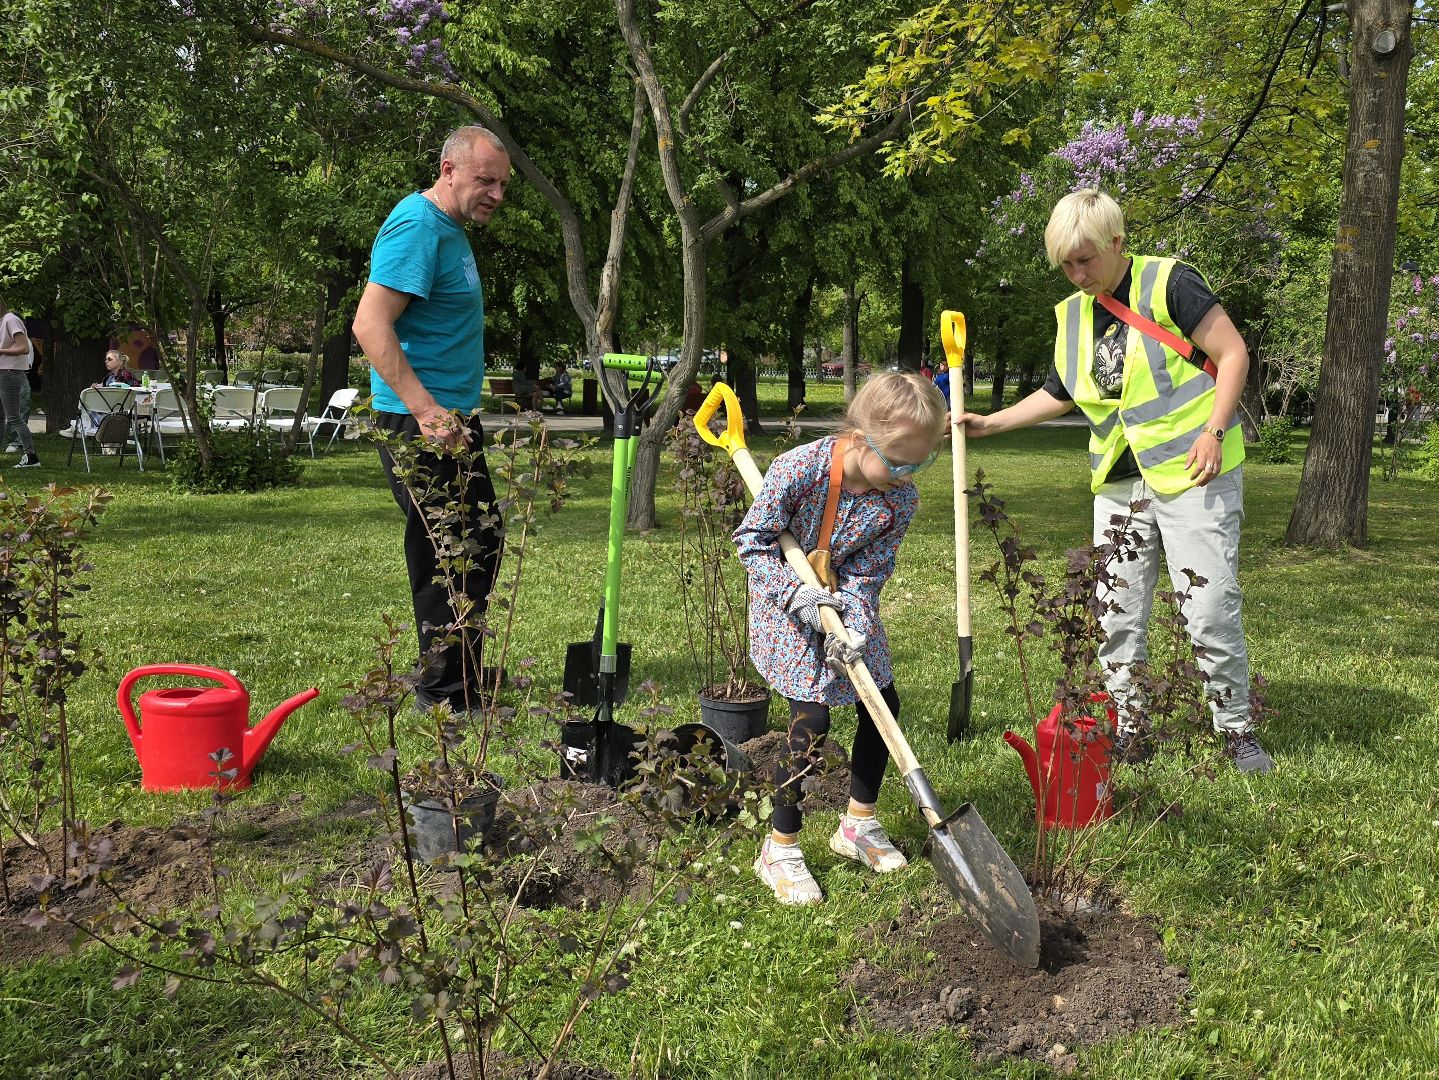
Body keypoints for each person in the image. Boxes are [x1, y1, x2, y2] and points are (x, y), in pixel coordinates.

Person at [959, 188, 1273, 774]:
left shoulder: (1170, 283)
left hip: (1193, 471)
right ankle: (1132, 727)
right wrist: (991, 424)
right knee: (1114, 612)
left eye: (1086, 260)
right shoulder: (1073, 314)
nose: (1078, 275)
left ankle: (1235, 728)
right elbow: (1060, 393)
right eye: (1067, 265)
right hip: (1119, 483)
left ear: (1116, 242)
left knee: (1207, 607)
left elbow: (1232, 355)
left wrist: (1213, 429)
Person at [735, 371, 949, 905]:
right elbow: (753, 541)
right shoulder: (799, 470)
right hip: (786, 605)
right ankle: (780, 846)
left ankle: (857, 824)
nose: (906, 475)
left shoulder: (899, 500)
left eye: (919, 464)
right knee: (812, 718)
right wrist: (799, 597)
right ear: (859, 438)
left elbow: (871, 569)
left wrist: (851, 619)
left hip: (846, 606)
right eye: (898, 462)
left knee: (882, 704)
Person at [352, 125, 511, 714]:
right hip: (420, 422)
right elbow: (370, 324)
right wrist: (425, 409)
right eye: (485, 180)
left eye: (502, 184)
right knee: (447, 548)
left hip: (449, 419)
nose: (496, 194)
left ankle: (460, 673)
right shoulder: (418, 226)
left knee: (478, 541)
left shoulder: (450, 229)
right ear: (448, 169)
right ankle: (443, 692)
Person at [0, 293, 40, 468]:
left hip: (10, 373)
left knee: (14, 417)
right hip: (4, 372)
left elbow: (23, 348)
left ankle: (31, 457)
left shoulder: (11, 320)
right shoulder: (3, 321)